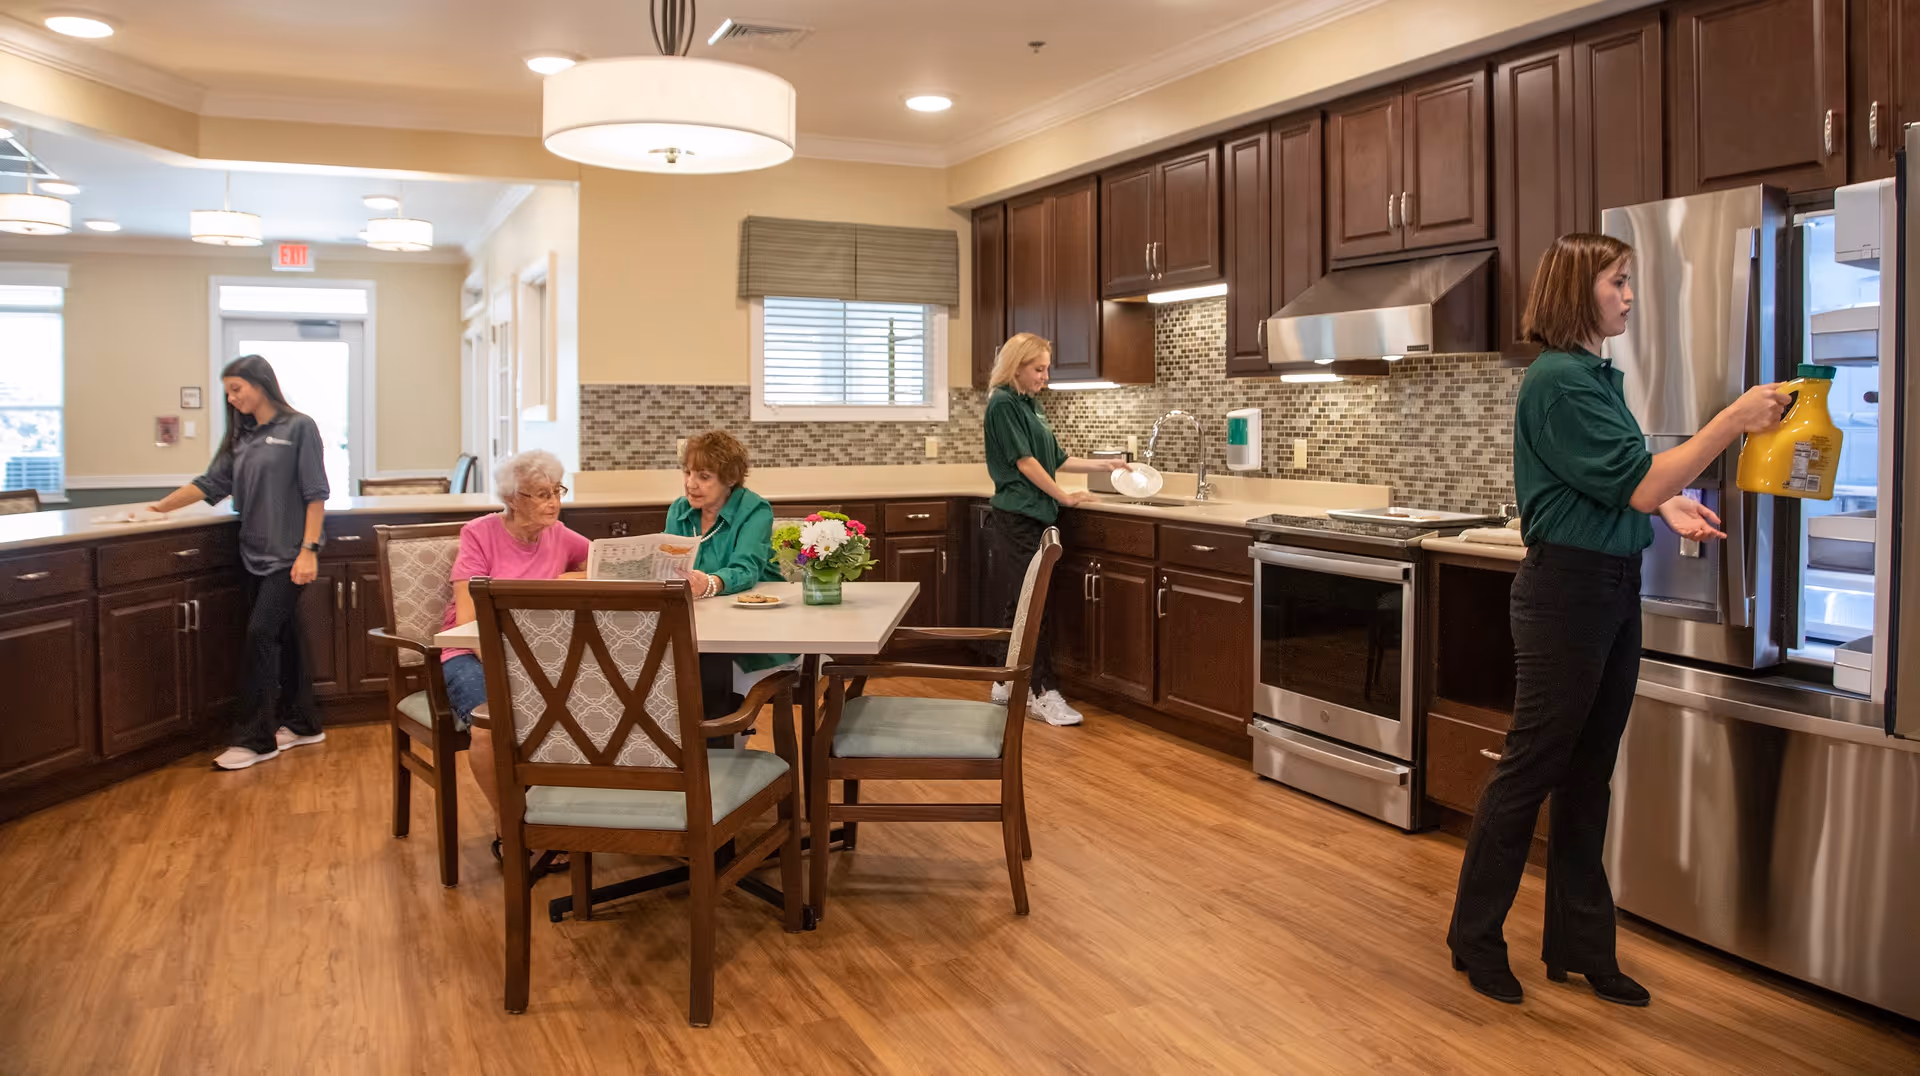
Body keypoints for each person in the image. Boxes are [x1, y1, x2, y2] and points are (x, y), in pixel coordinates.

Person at [1445, 234, 1791, 1007]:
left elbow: (1613, 481)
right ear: (1580, 290)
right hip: (1568, 593)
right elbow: (1631, 484)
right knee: (1533, 768)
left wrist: (1668, 501)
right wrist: (1731, 419)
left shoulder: (1594, 377)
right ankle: (1474, 938)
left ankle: (1579, 947)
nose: (1630, 296)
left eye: (1629, 282)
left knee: (1588, 775)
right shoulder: (1564, 380)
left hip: (1608, 586)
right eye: (1618, 282)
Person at [148, 355, 331, 771]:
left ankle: (256, 739)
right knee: (284, 637)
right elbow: (210, 483)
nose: (231, 399)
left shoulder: (299, 427)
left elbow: (315, 492)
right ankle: (303, 724)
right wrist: (160, 508)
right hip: (252, 554)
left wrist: (309, 550)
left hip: (290, 556)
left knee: (261, 635)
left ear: (260, 383)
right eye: (227, 391)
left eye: (236, 388)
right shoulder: (242, 436)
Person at [437, 449, 590, 848]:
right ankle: (511, 827)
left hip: (540, 656)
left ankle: (556, 819)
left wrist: (563, 582)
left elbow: (608, 564)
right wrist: (511, 668)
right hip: (472, 653)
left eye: (557, 491)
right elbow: (470, 621)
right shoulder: (480, 533)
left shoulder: (559, 534)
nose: (553, 502)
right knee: (490, 730)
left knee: (585, 714)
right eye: (540, 494)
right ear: (511, 499)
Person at [982, 333, 1135, 727]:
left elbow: (1056, 459)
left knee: (1022, 604)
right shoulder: (1002, 404)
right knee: (1034, 607)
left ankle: (1004, 681)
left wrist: (1108, 466)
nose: (1045, 376)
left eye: (1047, 368)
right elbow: (1027, 464)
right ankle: (1041, 692)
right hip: (1018, 518)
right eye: (1039, 369)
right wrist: (1064, 498)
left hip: (1035, 516)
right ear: (1016, 366)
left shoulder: (1030, 405)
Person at [662, 430, 789, 719]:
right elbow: (666, 563)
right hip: (699, 623)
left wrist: (709, 584)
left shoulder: (755, 509)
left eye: (704, 476)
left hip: (751, 627)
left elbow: (746, 570)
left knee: (705, 668)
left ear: (730, 479)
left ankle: (716, 747)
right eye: (688, 472)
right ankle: (693, 750)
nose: (690, 484)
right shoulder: (680, 509)